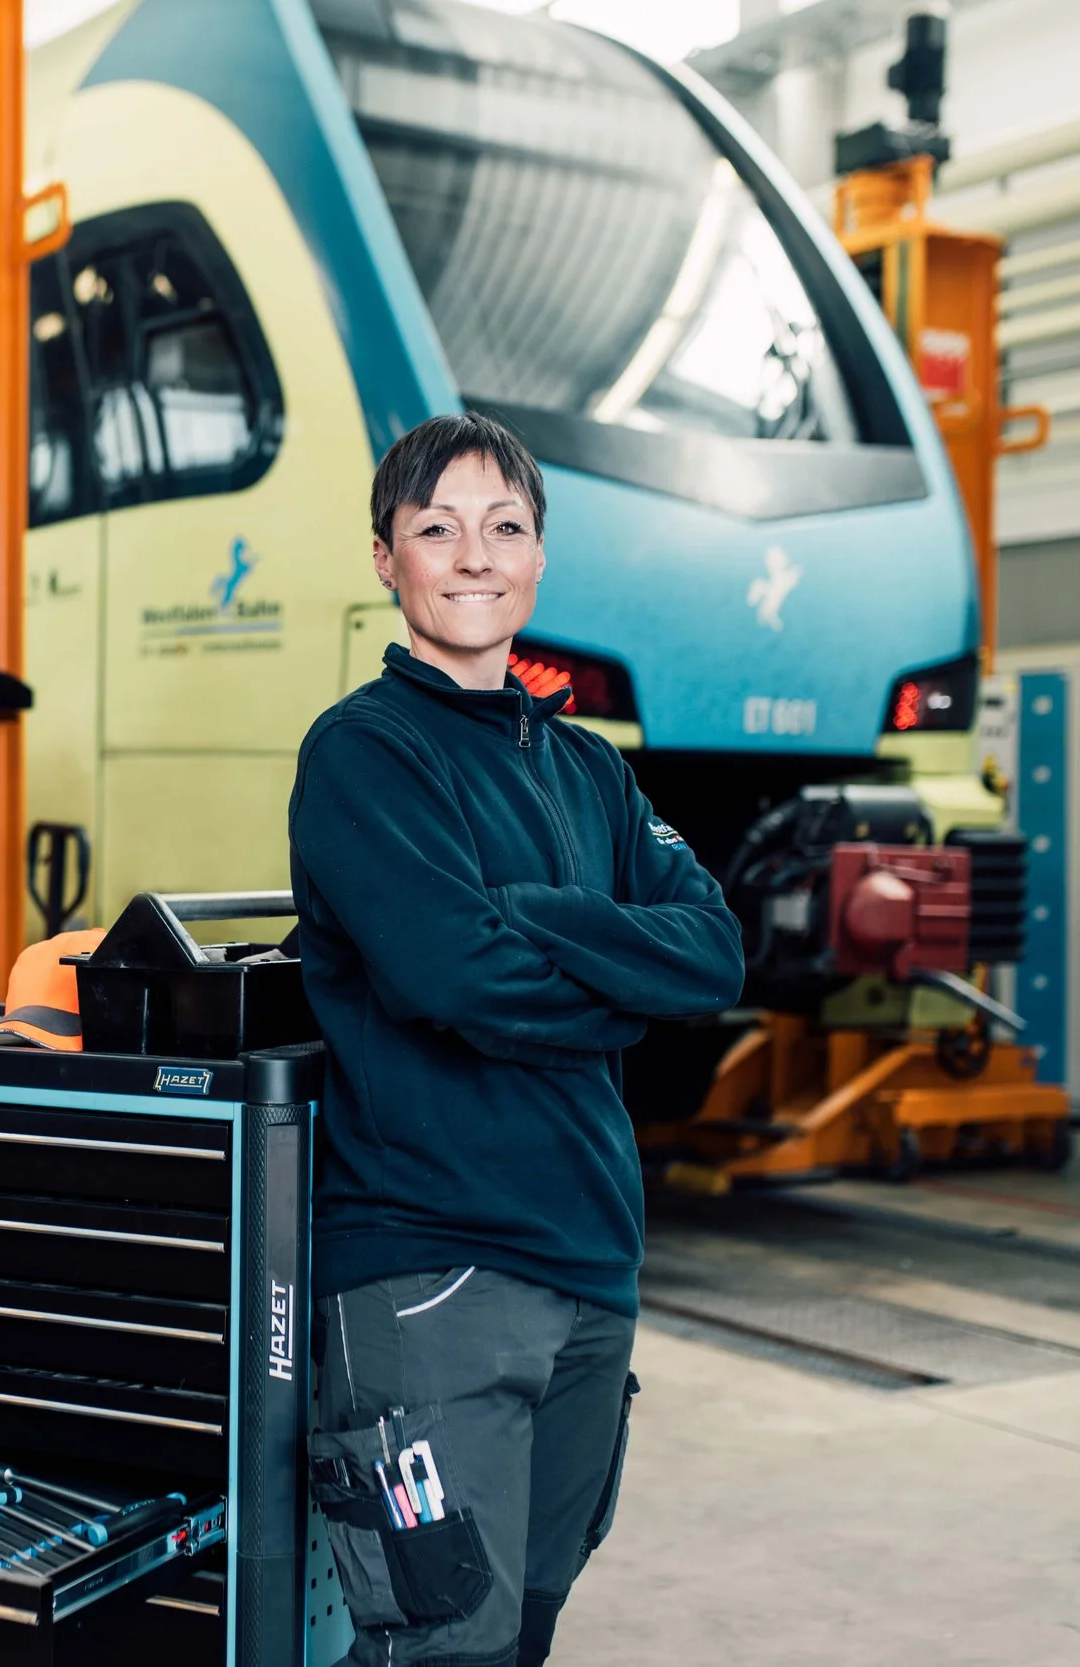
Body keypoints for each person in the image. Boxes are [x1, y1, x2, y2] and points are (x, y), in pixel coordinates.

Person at [289, 413, 744, 1665]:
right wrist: (619, 975)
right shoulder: (364, 754)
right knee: (443, 1644)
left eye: (505, 526)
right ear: (386, 558)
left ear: (539, 555)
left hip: (592, 1270)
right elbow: (456, 979)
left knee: (524, 1631)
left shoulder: (591, 769)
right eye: (437, 528)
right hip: (428, 1279)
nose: (473, 555)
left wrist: (538, 917)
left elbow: (712, 950)